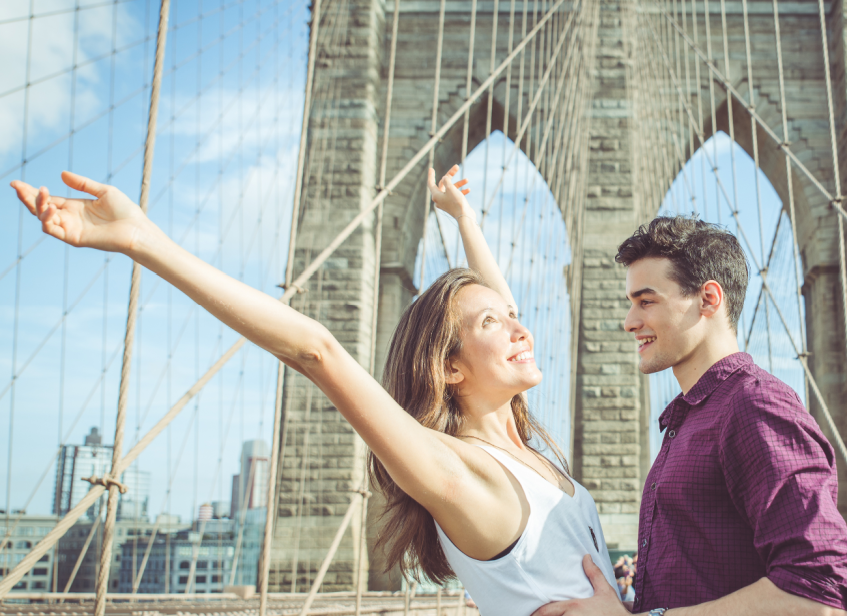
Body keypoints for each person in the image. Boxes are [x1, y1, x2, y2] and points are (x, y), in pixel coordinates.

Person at [10, 166, 619, 616]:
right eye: (492, 325)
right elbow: (315, 349)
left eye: (510, 316)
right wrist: (144, 241)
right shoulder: (458, 472)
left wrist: (464, 220)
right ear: (450, 370)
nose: (520, 328)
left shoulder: (524, 448)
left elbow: (498, 303)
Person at [534, 216, 847, 616]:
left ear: (709, 299)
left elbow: (819, 597)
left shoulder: (755, 406)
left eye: (647, 301)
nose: (629, 322)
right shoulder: (692, 419)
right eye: (630, 304)